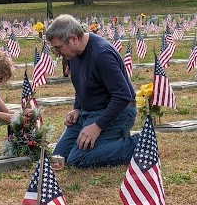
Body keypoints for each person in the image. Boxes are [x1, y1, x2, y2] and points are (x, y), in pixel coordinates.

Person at [45, 14, 138, 168]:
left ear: (73, 39)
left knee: (78, 158)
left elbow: (123, 96)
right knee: (59, 156)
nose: (56, 52)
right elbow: (81, 83)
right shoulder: (73, 54)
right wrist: (77, 108)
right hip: (88, 112)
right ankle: (108, 142)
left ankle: (140, 144)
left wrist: (97, 127)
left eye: (58, 47)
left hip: (118, 112)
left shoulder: (102, 54)